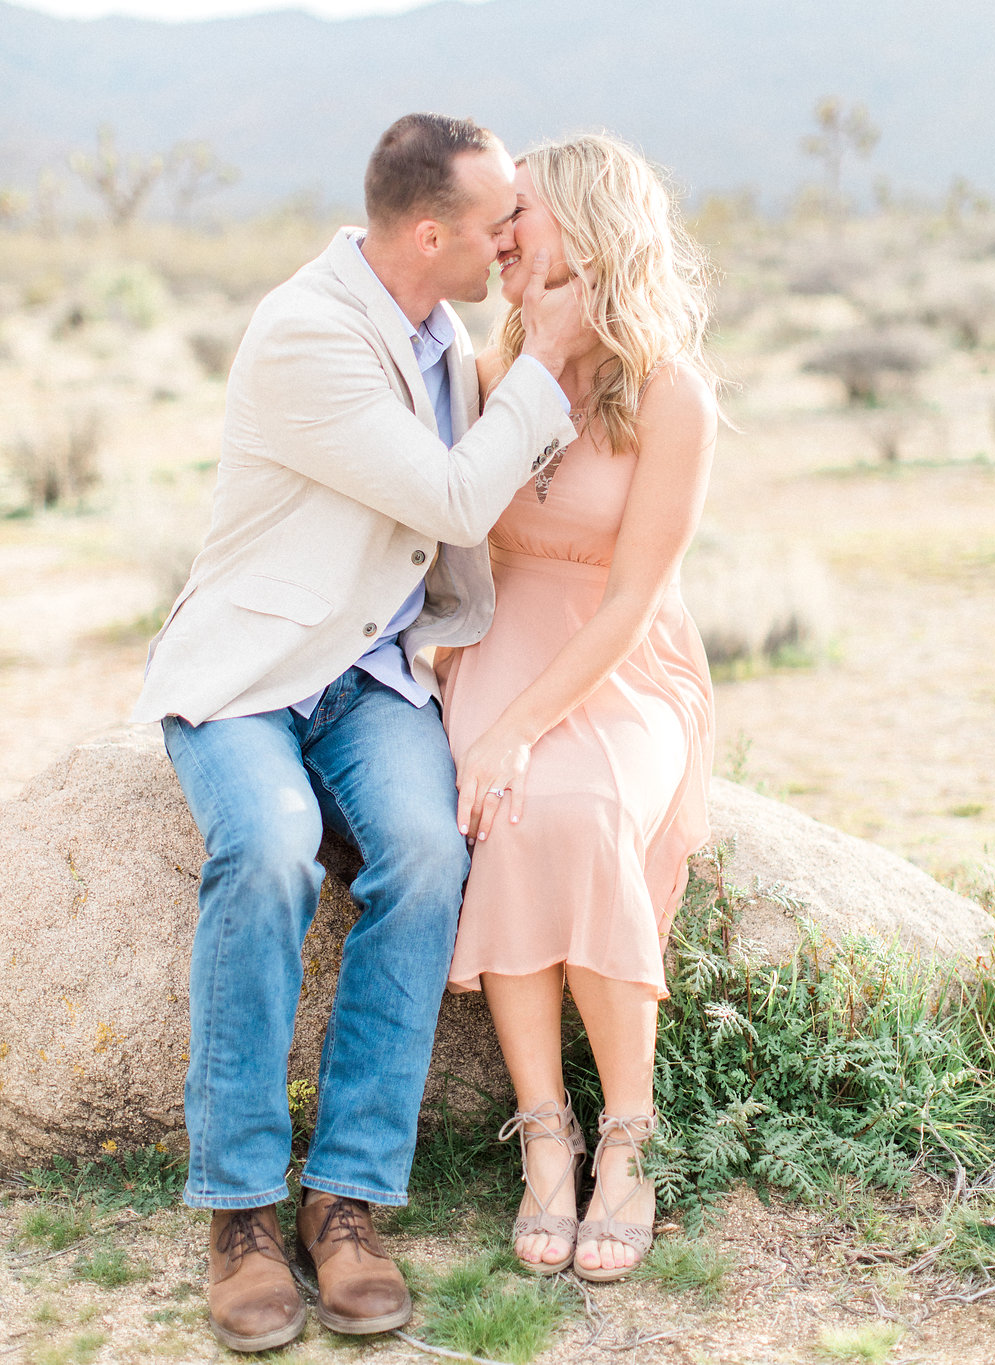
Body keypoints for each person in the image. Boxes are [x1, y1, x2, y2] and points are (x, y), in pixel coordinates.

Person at [131, 112, 584, 1353]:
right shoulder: (306, 332)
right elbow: (446, 494)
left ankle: (349, 1199)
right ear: (429, 231)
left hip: (368, 674)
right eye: (497, 221)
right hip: (252, 675)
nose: (510, 241)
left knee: (430, 855)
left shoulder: (436, 328)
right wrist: (548, 357)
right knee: (272, 846)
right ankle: (237, 1214)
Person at [437, 133, 718, 1284]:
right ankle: (543, 1138)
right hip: (500, 638)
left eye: (523, 218)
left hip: (623, 657)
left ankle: (628, 1142)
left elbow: (632, 602)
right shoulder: (491, 373)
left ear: (590, 232)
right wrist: (480, 712)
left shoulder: (670, 394)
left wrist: (518, 730)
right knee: (507, 814)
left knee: (589, 806)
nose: (501, 238)